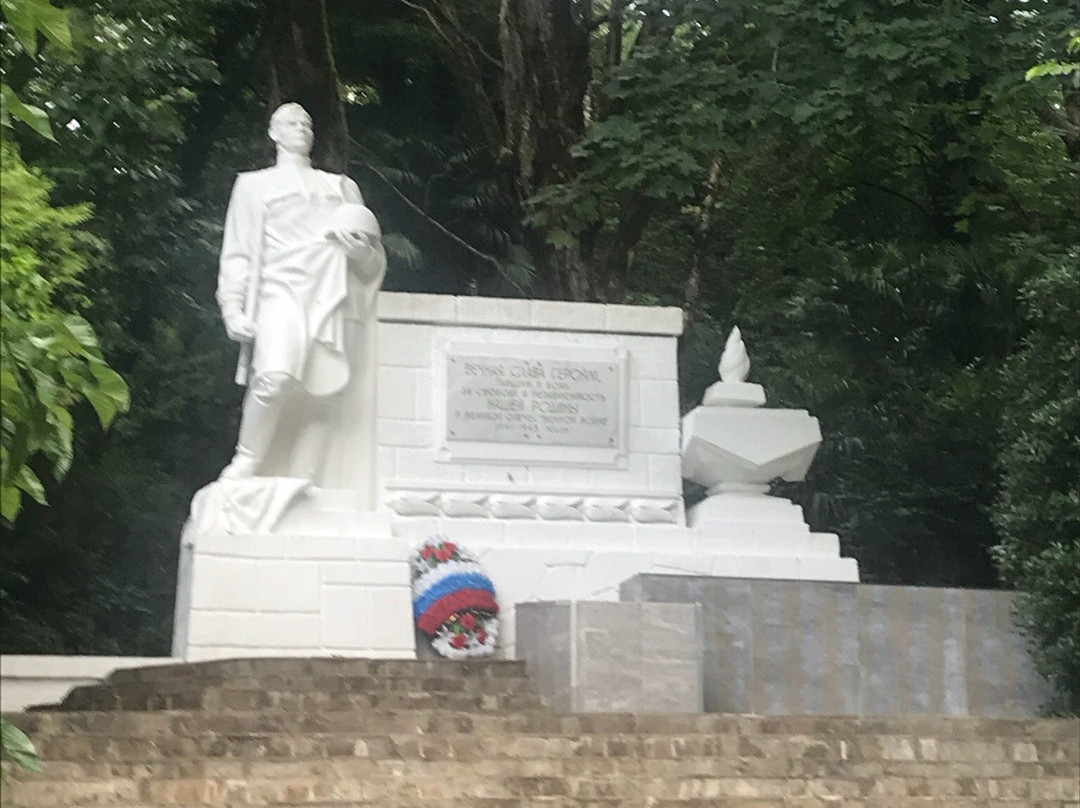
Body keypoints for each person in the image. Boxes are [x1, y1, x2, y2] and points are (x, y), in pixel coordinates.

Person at [216, 102, 385, 500]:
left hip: (329, 292)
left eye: (307, 123)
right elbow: (238, 251)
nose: (302, 129)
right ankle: (246, 460)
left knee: (325, 390)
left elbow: (372, 260)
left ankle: (306, 478)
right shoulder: (253, 185)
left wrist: (361, 254)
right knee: (274, 378)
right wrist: (233, 308)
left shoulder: (341, 187)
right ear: (273, 132)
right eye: (292, 123)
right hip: (280, 290)